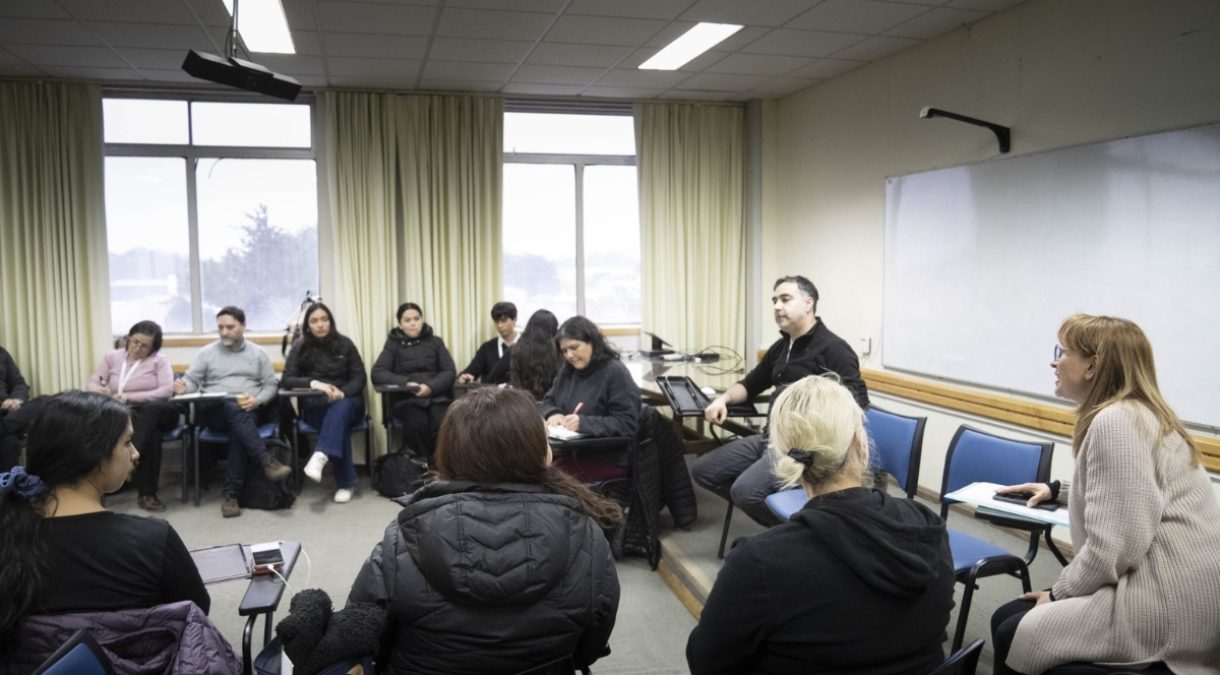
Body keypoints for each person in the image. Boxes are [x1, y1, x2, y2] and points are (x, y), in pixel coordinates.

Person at [990, 314, 1220, 675]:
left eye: (1062, 352)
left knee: (1014, 629)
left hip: (1163, 604)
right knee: (1012, 618)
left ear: (1093, 365)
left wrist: (1057, 594)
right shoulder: (1139, 413)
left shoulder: (1116, 421)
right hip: (1179, 591)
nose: (1054, 361)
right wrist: (1057, 490)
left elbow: (1115, 548)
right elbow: (1132, 494)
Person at [687, 375, 954, 674]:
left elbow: (706, 662)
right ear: (861, 443)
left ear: (783, 456)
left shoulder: (758, 563)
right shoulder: (928, 526)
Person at [347, 387, 621, 673]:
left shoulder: (403, 538)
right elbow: (590, 645)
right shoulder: (587, 536)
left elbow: (360, 635)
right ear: (541, 454)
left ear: (450, 453)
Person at [0, 391, 215, 668]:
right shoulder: (152, 539)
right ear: (94, 455)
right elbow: (195, 617)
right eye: (127, 442)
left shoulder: (9, 533)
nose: (136, 453)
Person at [691, 275, 869, 526]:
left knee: (745, 491)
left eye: (785, 299)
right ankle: (791, 520)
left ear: (808, 304)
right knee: (704, 471)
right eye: (774, 300)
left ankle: (805, 532)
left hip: (799, 448)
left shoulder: (834, 349)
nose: (776, 306)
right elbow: (751, 384)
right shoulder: (782, 346)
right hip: (769, 438)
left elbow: (857, 404)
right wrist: (723, 399)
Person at [173, 306, 288, 518]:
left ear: (243, 326)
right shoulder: (206, 353)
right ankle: (266, 461)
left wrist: (258, 400)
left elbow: (271, 385)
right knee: (231, 406)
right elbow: (191, 381)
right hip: (215, 411)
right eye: (220, 327)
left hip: (248, 408)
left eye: (230, 327)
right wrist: (183, 387)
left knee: (239, 427)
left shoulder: (258, 353)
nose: (224, 332)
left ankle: (231, 495)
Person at [86, 320, 179, 511]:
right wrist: (101, 391)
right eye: (135, 341)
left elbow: (166, 391)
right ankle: (147, 494)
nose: (138, 347)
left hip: (159, 411)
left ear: (153, 347)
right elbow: (92, 383)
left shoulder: (159, 361)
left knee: (151, 412)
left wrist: (131, 397)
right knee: (152, 436)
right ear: (129, 338)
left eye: (145, 346)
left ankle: (128, 461)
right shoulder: (112, 357)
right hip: (129, 415)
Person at [282, 303, 367, 504]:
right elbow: (287, 379)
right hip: (316, 405)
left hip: (350, 402)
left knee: (341, 409)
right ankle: (346, 483)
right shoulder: (299, 346)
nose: (320, 325)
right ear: (307, 326)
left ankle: (321, 455)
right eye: (314, 321)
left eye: (324, 319)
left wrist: (342, 393)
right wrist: (314, 383)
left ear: (330, 321)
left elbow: (359, 377)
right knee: (339, 424)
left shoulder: (345, 344)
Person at [541, 315, 640, 482]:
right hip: (571, 452)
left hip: (606, 457)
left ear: (592, 342)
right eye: (564, 351)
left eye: (574, 347)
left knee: (548, 479)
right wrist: (553, 413)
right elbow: (549, 400)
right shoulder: (568, 371)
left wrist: (584, 423)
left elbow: (628, 423)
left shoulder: (614, 372)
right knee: (530, 471)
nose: (569, 355)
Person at [370, 302, 456, 458]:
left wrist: (430, 386)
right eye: (407, 320)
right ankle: (423, 467)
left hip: (437, 397)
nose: (413, 323)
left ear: (422, 320)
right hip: (407, 400)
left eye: (416, 318)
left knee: (442, 423)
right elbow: (377, 373)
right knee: (417, 424)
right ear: (400, 325)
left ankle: (443, 466)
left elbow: (449, 371)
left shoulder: (436, 342)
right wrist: (406, 383)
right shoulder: (393, 345)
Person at [501, 308, 562, 400]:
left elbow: (492, 376)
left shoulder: (516, 350)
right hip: (553, 404)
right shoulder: (559, 351)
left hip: (524, 403)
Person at [457, 300, 518, 385]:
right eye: (496, 321)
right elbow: (471, 371)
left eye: (504, 320)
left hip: (521, 395)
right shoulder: (487, 348)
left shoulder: (528, 345)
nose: (499, 325)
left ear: (514, 319)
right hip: (492, 396)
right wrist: (464, 376)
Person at [0, 346, 32, 471]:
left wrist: (16, 399)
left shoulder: (1, 353)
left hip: (7, 412)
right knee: (10, 441)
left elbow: (19, 383)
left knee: (44, 401)